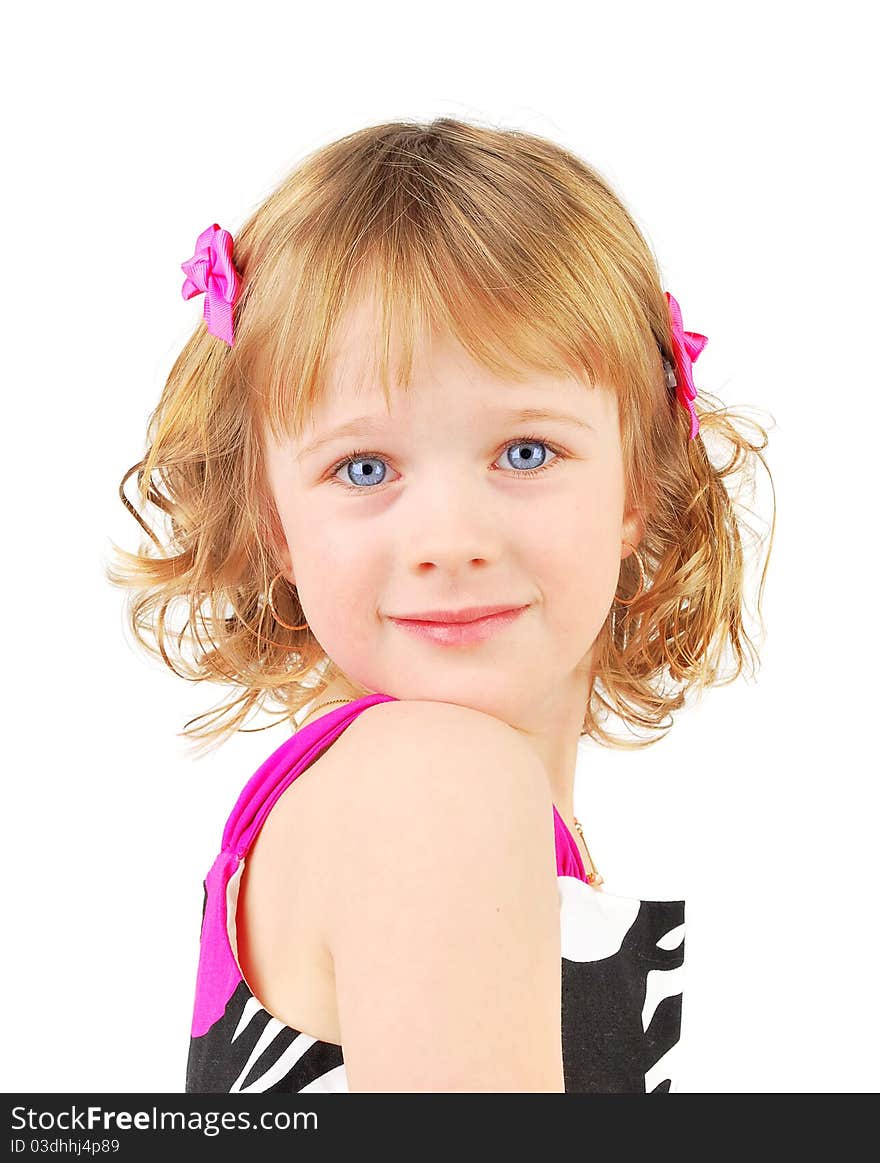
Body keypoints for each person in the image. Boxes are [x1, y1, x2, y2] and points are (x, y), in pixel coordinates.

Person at [106, 117, 774, 1093]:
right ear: (277, 523)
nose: (450, 538)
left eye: (525, 452)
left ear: (638, 481)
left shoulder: (428, 803)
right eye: (364, 465)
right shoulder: (438, 784)